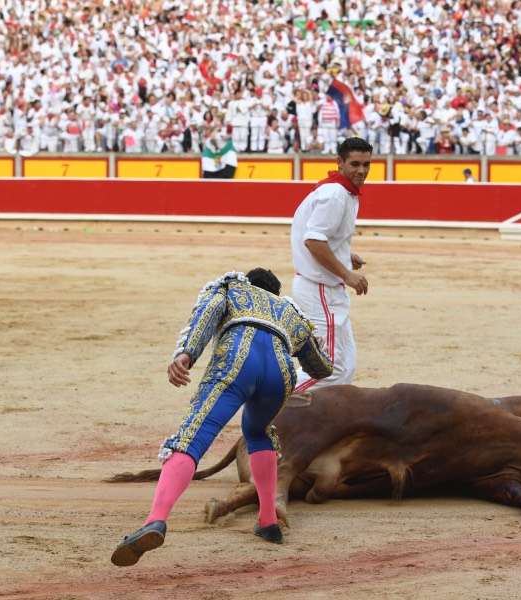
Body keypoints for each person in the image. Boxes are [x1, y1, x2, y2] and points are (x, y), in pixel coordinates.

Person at [110, 268, 332, 567]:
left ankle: (156, 520)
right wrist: (311, 354)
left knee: (195, 436)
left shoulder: (231, 288)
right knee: (258, 433)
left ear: (248, 283)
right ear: (275, 293)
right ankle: (268, 522)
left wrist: (185, 355)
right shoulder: (289, 311)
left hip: (236, 360)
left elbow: (207, 313)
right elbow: (321, 367)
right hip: (280, 374)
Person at [290, 137, 372, 393]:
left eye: (366, 165)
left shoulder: (338, 190)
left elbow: (322, 238)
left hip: (324, 289)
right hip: (320, 291)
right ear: (340, 162)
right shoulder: (336, 194)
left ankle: (315, 427)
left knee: (344, 368)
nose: (361, 170)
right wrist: (346, 273)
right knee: (330, 369)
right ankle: (273, 412)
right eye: (355, 164)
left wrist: (346, 255)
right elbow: (313, 241)